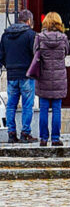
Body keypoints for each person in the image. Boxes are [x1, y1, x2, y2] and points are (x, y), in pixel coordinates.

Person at [0, 9, 38, 144]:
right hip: (27, 74)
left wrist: (9, 66)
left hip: (11, 75)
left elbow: (1, 56)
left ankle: (11, 133)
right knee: (27, 105)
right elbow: (35, 55)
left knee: (11, 105)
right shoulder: (30, 35)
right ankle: (25, 133)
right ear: (29, 21)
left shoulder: (5, 35)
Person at [35, 12, 70, 147]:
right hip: (59, 78)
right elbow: (66, 52)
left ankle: (43, 138)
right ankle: (55, 138)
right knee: (56, 109)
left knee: (43, 109)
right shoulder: (63, 38)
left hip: (43, 76)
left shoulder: (39, 37)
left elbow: (35, 53)